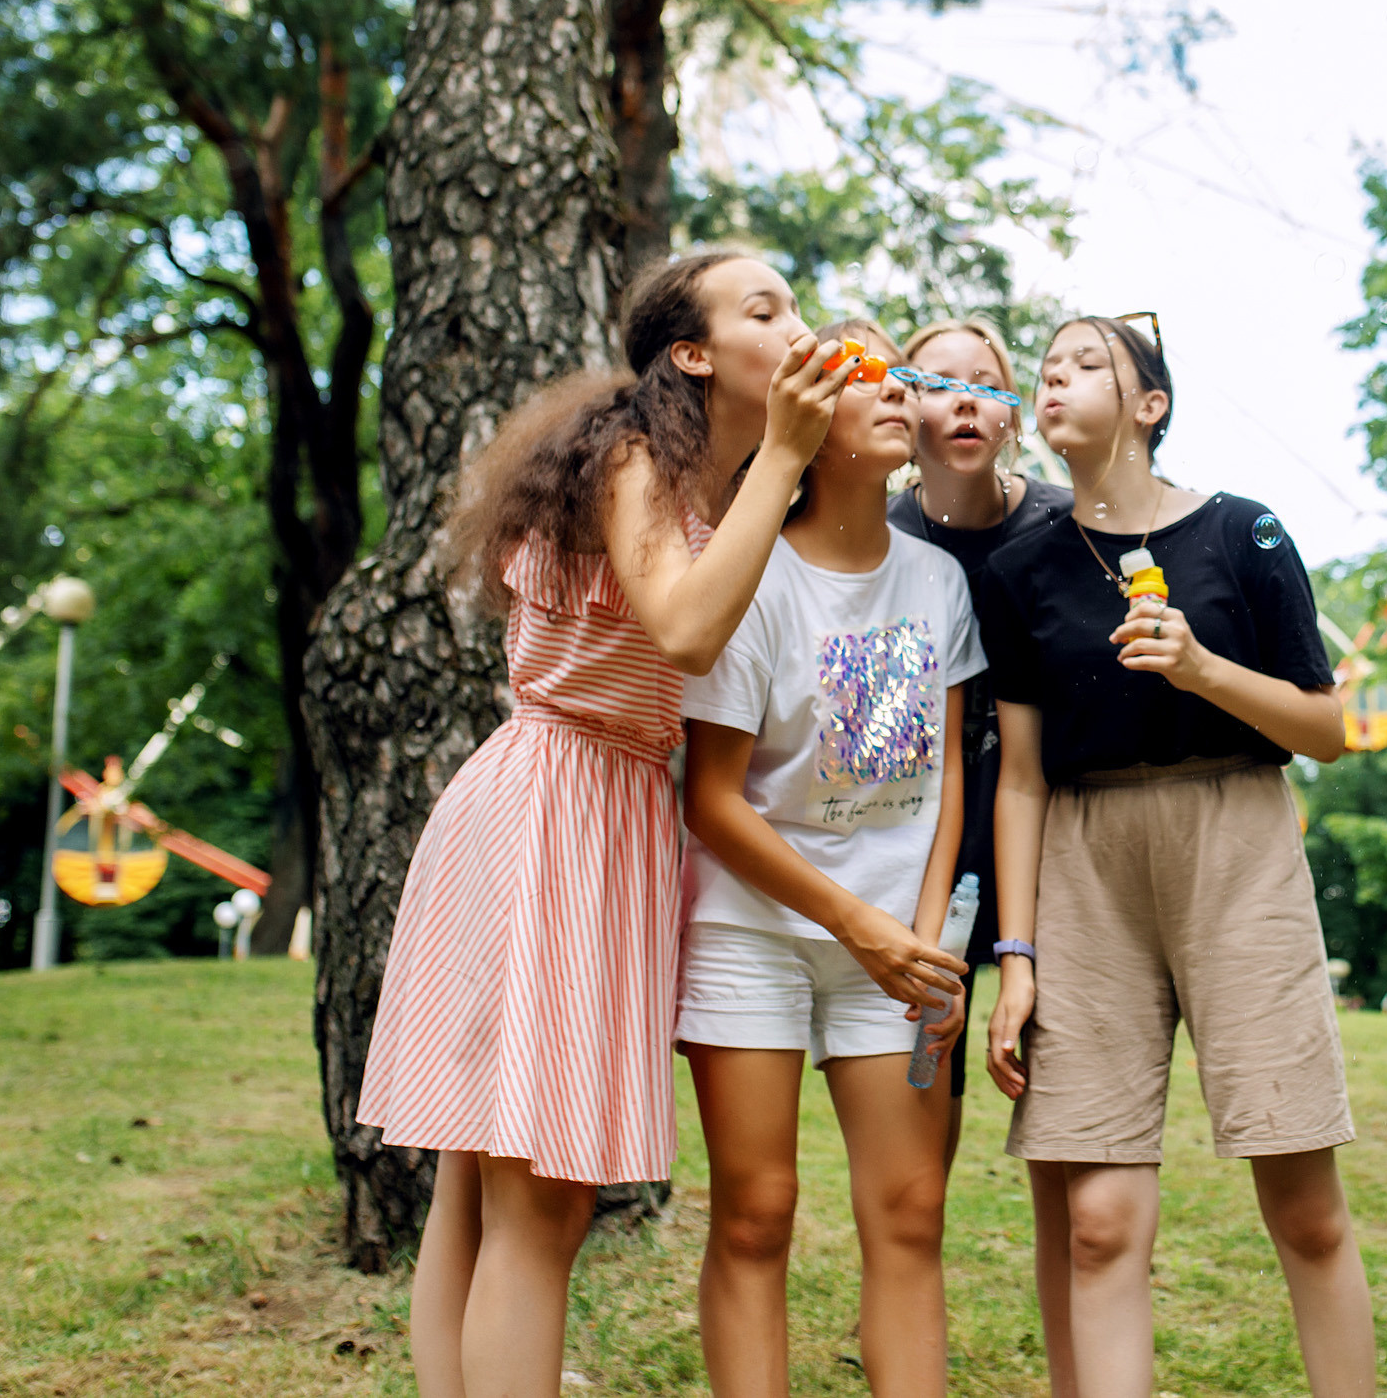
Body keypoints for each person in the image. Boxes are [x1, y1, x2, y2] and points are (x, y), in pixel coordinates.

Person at [357, 251, 854, 1398]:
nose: (797, 323)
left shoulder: (711, 487)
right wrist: (784, 453)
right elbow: (680, 630)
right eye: (764, 307)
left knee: (482, 1185)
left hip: (584, 809)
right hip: (560, 809)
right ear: (692, 351)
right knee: (536, 1194)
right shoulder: (636, 458)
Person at [981, 314, 1378, 1398]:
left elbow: (1325, 725)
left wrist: (1202, 667)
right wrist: (1016, 954)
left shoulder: (1242, 533)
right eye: (1046, 367)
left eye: (1085, 364)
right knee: (1098, 1222)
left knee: (1301, 1200)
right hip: (1083, 858)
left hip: (1235, 842)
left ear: (1150, 404)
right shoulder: (1021, 570)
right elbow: (1018, 776)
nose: (1054, 378)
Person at [677, 318, 987, 1398]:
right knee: (756, 1213)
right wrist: (856, 924)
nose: (898, 389)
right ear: (804, 417)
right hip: (752, 929)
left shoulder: (938, 583)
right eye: (862, 376)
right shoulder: (751, 578)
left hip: (900, 944)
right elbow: (710, 800)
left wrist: (930, 935)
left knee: (910, 1211)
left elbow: (946, 780)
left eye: (899, 370)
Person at [884, 317, 1073, 1169]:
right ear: (902, 409)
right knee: (925, 1070)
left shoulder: (1067, 529)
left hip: (1054, 833)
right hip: (927, 844)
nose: (965, 400)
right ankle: (904, 1262)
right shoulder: (876, 536)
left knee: (1067, 1078)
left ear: (1014, 420)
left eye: (988, 384)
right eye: (937, 383)